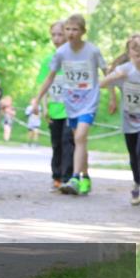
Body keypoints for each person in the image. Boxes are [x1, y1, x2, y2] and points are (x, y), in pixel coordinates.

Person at [32, 13, 108, 196]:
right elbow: (49, 78)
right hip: (71, 103)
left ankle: (74, 177)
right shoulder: (61, 53)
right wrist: (37, 100)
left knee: (79, 137)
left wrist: (113, 96)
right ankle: (86, 176)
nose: (71, 33)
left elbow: (108, 72)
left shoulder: (92, 51)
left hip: (89, 102)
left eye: (75, 29)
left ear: (82, 31)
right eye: (68, 29)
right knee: (79, 141)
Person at [100, 34, 140, 206]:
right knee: (133, 153)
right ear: (129, 52)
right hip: (130, 118)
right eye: (134, 47)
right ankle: (137, 183)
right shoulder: (125, 69)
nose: (138, 50)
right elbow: (102, 84)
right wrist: (115, 77)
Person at [36, 20, 75, 191]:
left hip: (71, 109)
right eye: (54, 35)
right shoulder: (48, 60)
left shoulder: (74, 58)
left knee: (68, 141)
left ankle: (67, 177)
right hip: (54, 108)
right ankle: (56, 176)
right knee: (56, 143)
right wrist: (44, 106)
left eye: (60, 34)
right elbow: (44, 85)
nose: (57, 38)